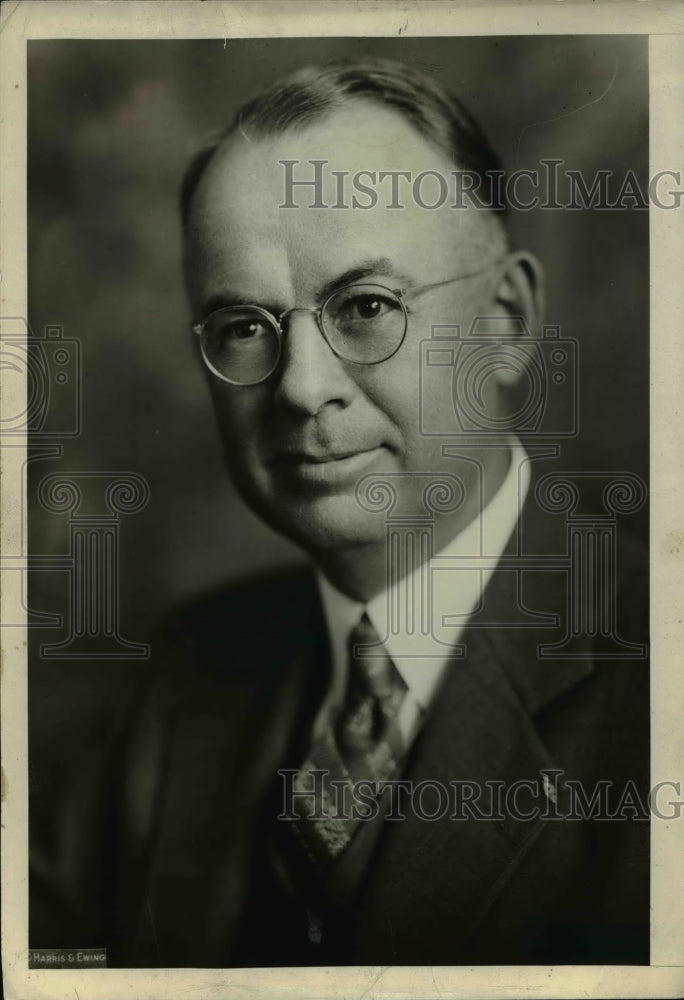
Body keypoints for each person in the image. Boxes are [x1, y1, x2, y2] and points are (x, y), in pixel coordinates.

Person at [29, 58, 649, 968]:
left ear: (507, 321)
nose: (301, 389)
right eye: (244, 327)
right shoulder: (187, 678)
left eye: (366, 307)